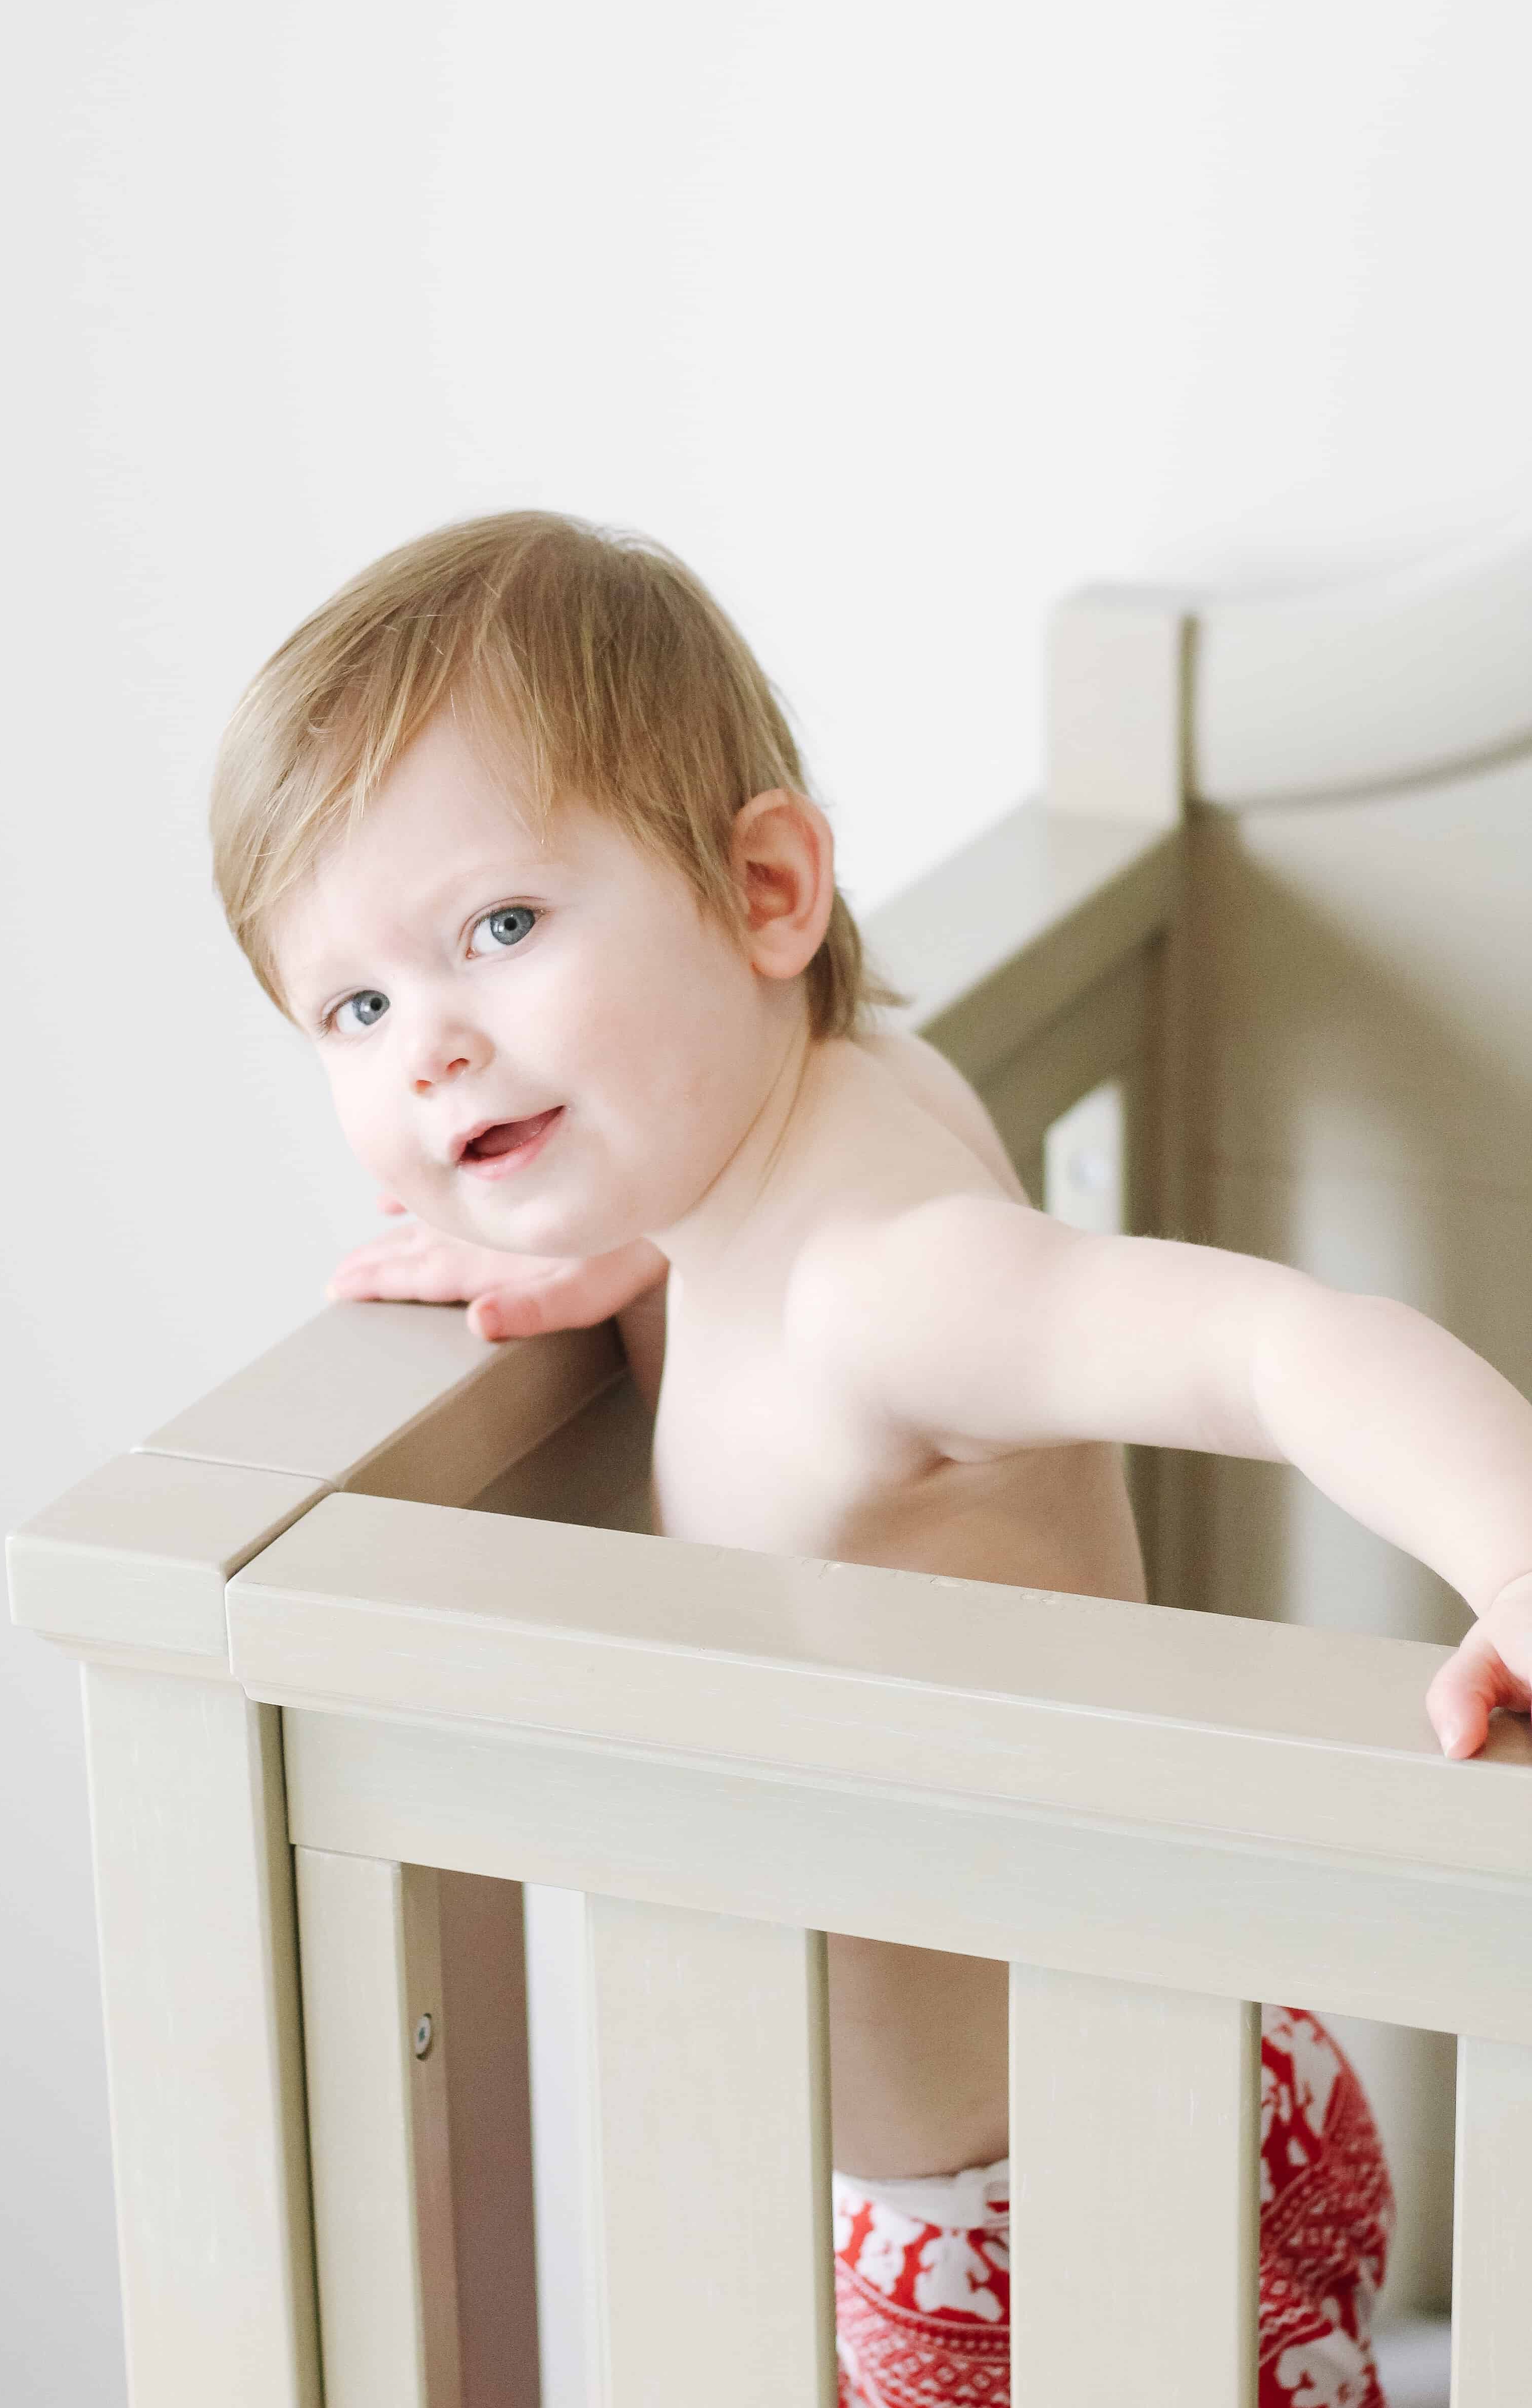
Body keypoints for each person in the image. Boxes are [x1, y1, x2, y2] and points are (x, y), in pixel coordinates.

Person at [211, 509, 1530, 2407]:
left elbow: (1276, 1344)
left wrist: (1512, 1552)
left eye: (499, 929)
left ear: (767, 892)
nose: (432, 1044)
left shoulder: (891, 1292)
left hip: (1088, 2190)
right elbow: (728, 1165)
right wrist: (623, 1229)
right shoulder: (814, 1117)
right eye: (355, 1005)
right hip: (1008, 2169)